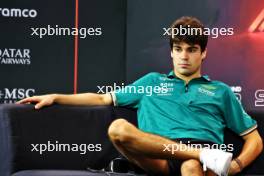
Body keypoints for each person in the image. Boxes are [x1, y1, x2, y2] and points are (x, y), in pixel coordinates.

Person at [17, 16, 263, 176]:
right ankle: (200, 155)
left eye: (191, 50)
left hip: (204, 160)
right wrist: (55, 96)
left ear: (204, 53)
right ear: (171, 53)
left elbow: (255, 139)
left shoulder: (220, 90)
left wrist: (235, 166)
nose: (184, 56)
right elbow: (102, 98)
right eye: (178, 49)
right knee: (118, 128)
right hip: (161, 155)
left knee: (191, 167)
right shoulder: (151, 82)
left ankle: (200, 156)